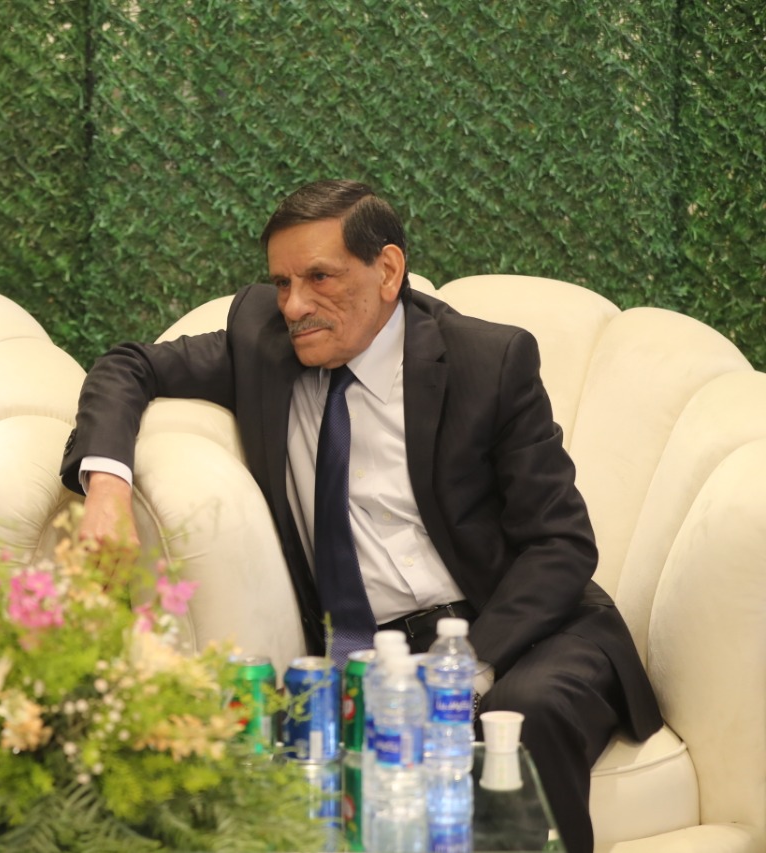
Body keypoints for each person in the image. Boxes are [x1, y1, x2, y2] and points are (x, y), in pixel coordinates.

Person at [60, 179, 661, 853]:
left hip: (520, 630)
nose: (294, 305)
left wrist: (468, 668)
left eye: (319, 277)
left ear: (388, 270)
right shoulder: (262, 341)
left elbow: (561, 542)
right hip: (367, 652)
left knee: (523, 715)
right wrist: (107, 489)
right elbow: (126, 365)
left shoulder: (485, 361)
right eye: (282, 282)